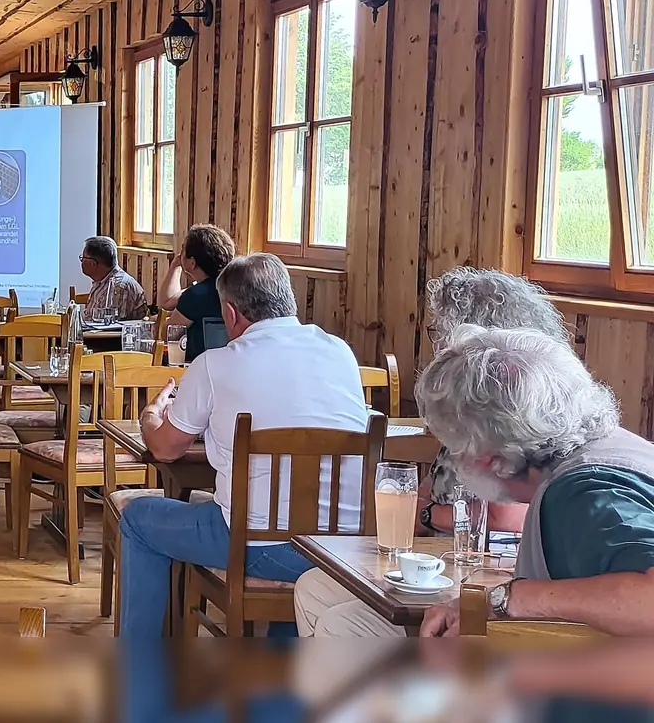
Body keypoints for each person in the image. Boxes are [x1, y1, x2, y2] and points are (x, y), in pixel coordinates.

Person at [294, 267, 565, 636]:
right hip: (439, 557)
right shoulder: (469, 399)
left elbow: (504, 517)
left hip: (481, 568)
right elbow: (432, 484)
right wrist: (418, 507)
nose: (436, 341)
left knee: (339, 622)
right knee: (314, 586)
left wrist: (427, 514)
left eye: (439, 329)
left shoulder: (512, 406)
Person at [117, 253, 371, 635]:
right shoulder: (340, 352)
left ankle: (140, 669)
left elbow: (166, 450)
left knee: (138, 519)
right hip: (344, 548)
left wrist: (151, 414)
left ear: (231, 314)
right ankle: (275, 688)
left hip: (258, 546)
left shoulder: (214, 364)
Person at [414, 327, 654, 637]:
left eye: (453, 446)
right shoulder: (621, 447)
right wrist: (483, 602)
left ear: (486, 457)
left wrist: (509, 598)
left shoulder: (585, 493)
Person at [159, 224, 236, 362]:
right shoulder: (239, 286)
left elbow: (168, 334)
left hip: (197, 365)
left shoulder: (196, 295)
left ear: (192, 263)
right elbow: (168, 301)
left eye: (183, 249)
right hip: (234, 363)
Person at [80, 235, 147, 321]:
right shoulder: (102, 280)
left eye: (83, 258)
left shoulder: (119, 287)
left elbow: (113, 327)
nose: (81, 261)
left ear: (93, 263)